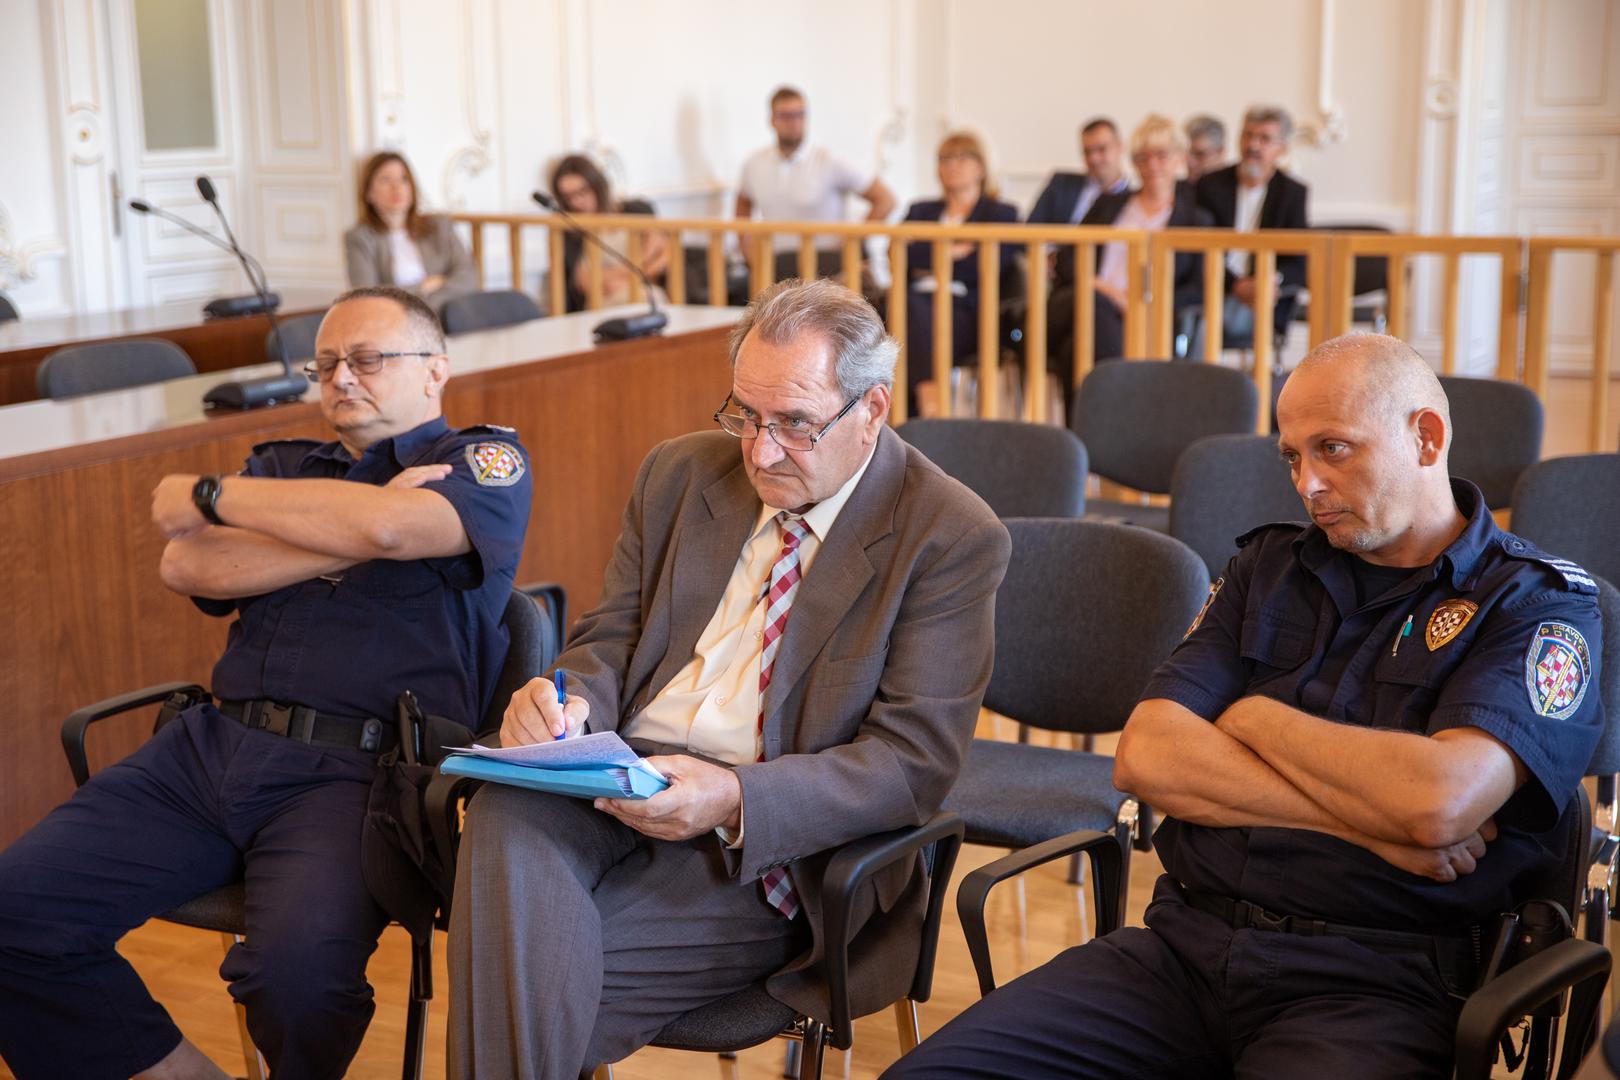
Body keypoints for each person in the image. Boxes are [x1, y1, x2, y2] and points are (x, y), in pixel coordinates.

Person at [883, 332, 1604, 1079]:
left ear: (1427, 437)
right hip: (1179, 951)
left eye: (1334, 449)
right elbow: (1148, 755)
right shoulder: (1269, 568)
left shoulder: (1533, 604)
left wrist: (1251, 718)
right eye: (1293, 457)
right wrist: (1372, 824)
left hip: (1376, 984)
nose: (1309, 484)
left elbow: (1437, 804)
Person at [447, 277, 1011, 1079]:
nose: (760, 450)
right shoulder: (678, 475)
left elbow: (911, 764)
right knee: (507, 805)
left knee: (520, 981)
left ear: (873, 409)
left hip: (761, 849)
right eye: (745, 415)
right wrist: (565, 701)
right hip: (617, 780)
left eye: (793, 424)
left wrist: (734, 799)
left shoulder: (947, 534)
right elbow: (610, 638)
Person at [0, 286, 532, 1080]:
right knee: (16, 914)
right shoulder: (282, 465)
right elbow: (189, 562)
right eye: (326, 364)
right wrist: (352, 531)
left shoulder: (482, 462)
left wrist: (209, 493)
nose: (342, 377)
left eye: (368, 359)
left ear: (436, 370)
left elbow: (400, 527)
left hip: (355, 774)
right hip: (209, 749)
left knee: (298, 981)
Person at [1048, 114, 1214, 374]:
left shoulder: (1196, 219)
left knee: (1074, 350)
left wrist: (1143, 303)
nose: (1152, 165)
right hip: (1087, 300)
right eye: (1143, 157)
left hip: (1149, 318)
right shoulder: (1109, 204)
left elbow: (1198, 288)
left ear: (1179, 158)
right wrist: (1106, 290)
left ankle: (1095, 412)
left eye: (1161, 155)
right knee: (1096, 309)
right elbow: (1068, 258)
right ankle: (1120, 405)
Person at [899, 130, 1019, 415]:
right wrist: (956, 250)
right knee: (902, 309)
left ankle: (927, 403)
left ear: (980, 166)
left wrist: (930, 251)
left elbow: (984, 268)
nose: (952, 165)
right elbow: (902, 258)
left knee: (911, 314)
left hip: (967, 309)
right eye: (945, 159)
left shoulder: (1002, 214)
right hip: (914, 302)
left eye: (961, 157)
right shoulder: (920, 210)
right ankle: (925, 403)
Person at [734, 86, 897, 284]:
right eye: (786, 116)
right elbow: (743, 201)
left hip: (827, 266)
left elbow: (885, 199)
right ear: (772, 120)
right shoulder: (754, 163)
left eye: (799, 115)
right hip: (775, 266)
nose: (794, 122)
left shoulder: (829, 160)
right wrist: (745, 245)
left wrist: (853, 241)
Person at [1194, 105, 1310, 347]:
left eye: (1264, 139)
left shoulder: (1292, 193)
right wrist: (1235, 285)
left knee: (1208, 324)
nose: (1253, 146)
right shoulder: (1209, 186)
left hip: (1263, 298)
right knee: (1199, 319)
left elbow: (1299, 262)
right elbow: (1199, 249)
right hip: (1214, 289)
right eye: (1248, 135)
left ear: (1282, 148)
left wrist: (1269, 282)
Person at [344, 151, 479, 312]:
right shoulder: (359, 238)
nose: (397, 188)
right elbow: (367, 298)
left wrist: (422, 302)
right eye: (385, 180)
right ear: (369, 193)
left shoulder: (439, 226)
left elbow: (469, 279)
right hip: (396, 327)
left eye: (404, 179)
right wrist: (423, 286)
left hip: (449, 318)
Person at [549, 153, 670, 313]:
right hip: (604, 299)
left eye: (583, 191)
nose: (577, 201)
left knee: (651, 298)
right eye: (568, 197)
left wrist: (622, 278)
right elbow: (585, 282)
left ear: (597, 185)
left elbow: (663, 256)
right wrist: (637, 270)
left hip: (643, 289)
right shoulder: (569, 228)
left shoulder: (637, 210)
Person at [1026, 117, 1128, 227]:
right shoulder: (1061, 185)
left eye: (1101, 149)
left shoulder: (1134, 200)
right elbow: (1030, 230)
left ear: (1120, 146)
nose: (1093, 158)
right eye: (1087, 152)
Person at [1183, 113, 1228, 184]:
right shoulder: (1175, 191)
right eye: (1187, 155)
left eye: (1200, 154)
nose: (1190, 163)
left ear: (1221, 152)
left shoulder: (1241, 190)